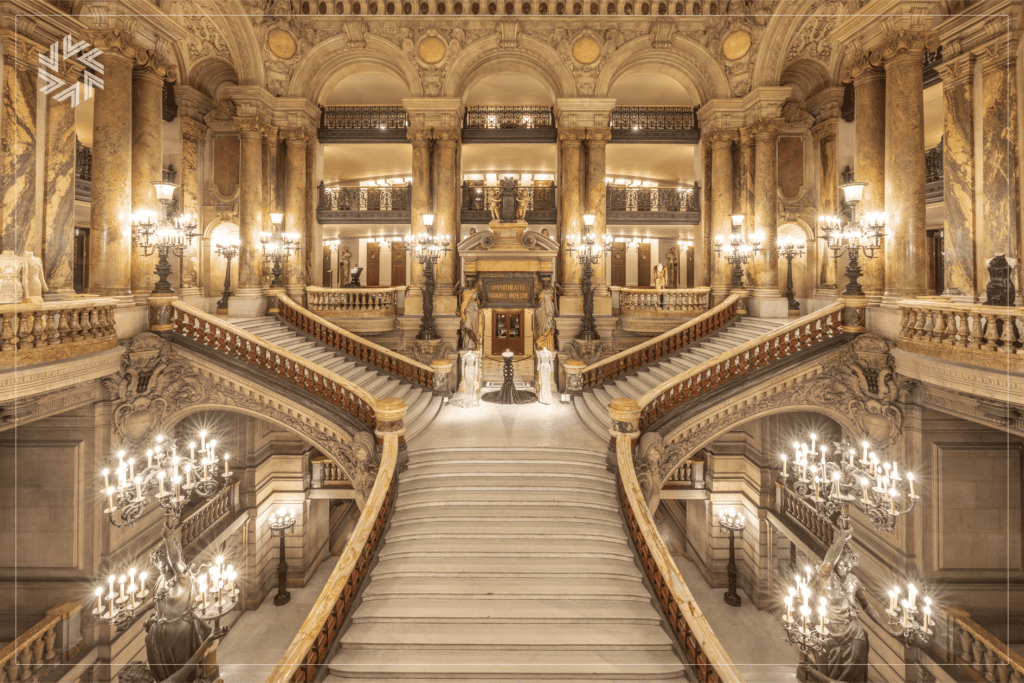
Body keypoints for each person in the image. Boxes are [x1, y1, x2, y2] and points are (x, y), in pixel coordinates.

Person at [800, 527, 886, 683]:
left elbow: (867, 606)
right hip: (829, 633)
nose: (845, 568)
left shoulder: (854, 581)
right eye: (841, 564)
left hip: (853, 634)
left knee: (856, 674)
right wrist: (842, 537)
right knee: (828, 675)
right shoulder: (826, 579)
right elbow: (827, 562)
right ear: (836, 564)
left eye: (849, 565)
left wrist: (891, 630)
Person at [144, 523, 212, 681]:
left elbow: (175, 561)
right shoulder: (161, 580)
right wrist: (133, 614)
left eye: (162, 562)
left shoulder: (183, 578)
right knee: (164, 676)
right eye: (158, 563)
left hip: (180, 635)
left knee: (183, 673)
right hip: (159, 637)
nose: (161, 567)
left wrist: (168, 538)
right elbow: (155, 601)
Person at [534, 278, 557, 351]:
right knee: (542, 329)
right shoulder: (540, 291)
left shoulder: (552, 291)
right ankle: (542, 345)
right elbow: (536, 302)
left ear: (549, 283)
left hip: (549, 312)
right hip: (541, 312)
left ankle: (541, 343)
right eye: (544, 282)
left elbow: (558, 298)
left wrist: (558, 287)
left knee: (549, 328)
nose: (545, 284)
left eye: (547, 282)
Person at [459, 282, 482, 350]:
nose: (470, 283)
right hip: (467, 309)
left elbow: (482, 299)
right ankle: (477, 342)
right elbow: (459, 298)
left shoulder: (476, 291)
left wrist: (480, 306)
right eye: (468, 282)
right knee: (467, 327)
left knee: (474, 328)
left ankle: (473, 345)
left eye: (471, 282)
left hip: (475, 310)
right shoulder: (463, 291)